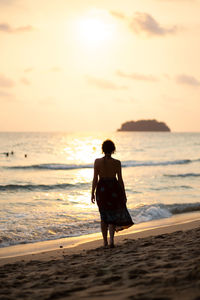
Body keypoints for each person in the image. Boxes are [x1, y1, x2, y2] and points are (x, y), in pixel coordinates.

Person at [91, 139, 134, 248]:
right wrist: (124, 194)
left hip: (102, 190)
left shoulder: (97, 162)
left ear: (103, 149)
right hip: (114, 190)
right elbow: (120, 180)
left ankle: (105, 242)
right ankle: (111, 241)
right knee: (112, 216)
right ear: (113, 150)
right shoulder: (117, 163)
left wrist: (92, 193)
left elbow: (95, 179)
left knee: (103, 216)